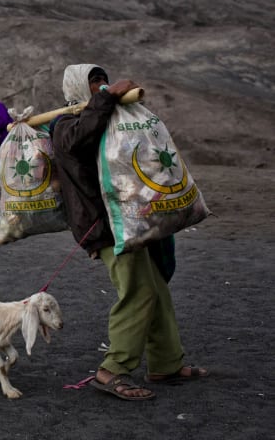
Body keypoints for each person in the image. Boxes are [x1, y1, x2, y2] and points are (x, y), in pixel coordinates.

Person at [49, 64, 208, 401]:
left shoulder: (111, 119)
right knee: (137, 292)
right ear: (78, 88)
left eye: (103, 80)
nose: (101, 85)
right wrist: (106, 99)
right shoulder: (64, 126)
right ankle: (112, 370)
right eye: (93, 82)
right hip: (105, 227)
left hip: (134, 220)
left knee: (156, 291)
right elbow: (80, 140)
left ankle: (166, 363)